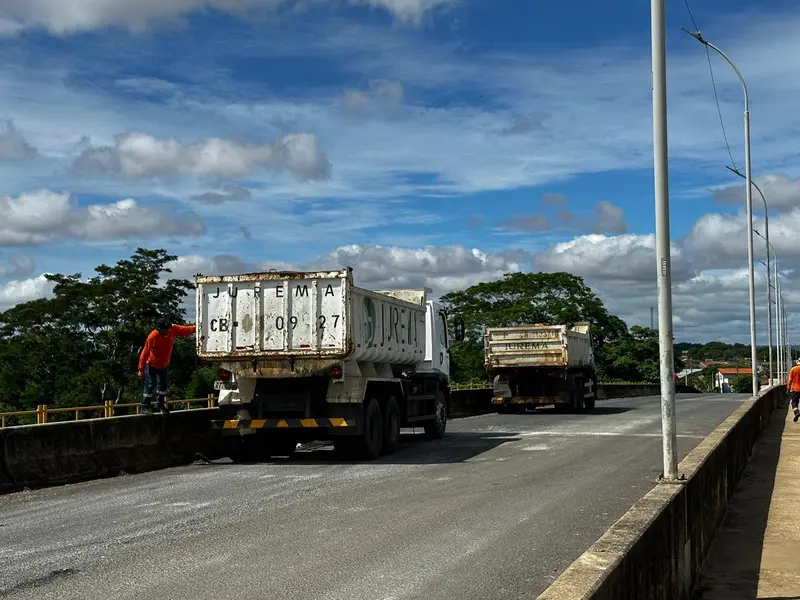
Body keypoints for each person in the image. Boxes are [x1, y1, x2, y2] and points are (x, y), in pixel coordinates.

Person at [138, 318, 197, 413]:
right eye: (164, 330)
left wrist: (198, 328)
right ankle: (144, 406)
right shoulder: (153, 337)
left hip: (164, 365)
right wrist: (141, 369)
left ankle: (159, 404)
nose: (167, 332)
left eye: (168, 330)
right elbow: (144, 354)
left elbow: (185, 330)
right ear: (158, 329)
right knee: (149, 385)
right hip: (152, 364)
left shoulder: (172, 329)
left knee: (163, 387)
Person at [786, 358, 800, 423]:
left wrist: (788, 388)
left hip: (795, 389)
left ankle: (796, 412)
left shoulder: (793, 369)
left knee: (794, 402)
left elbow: (790, 380)